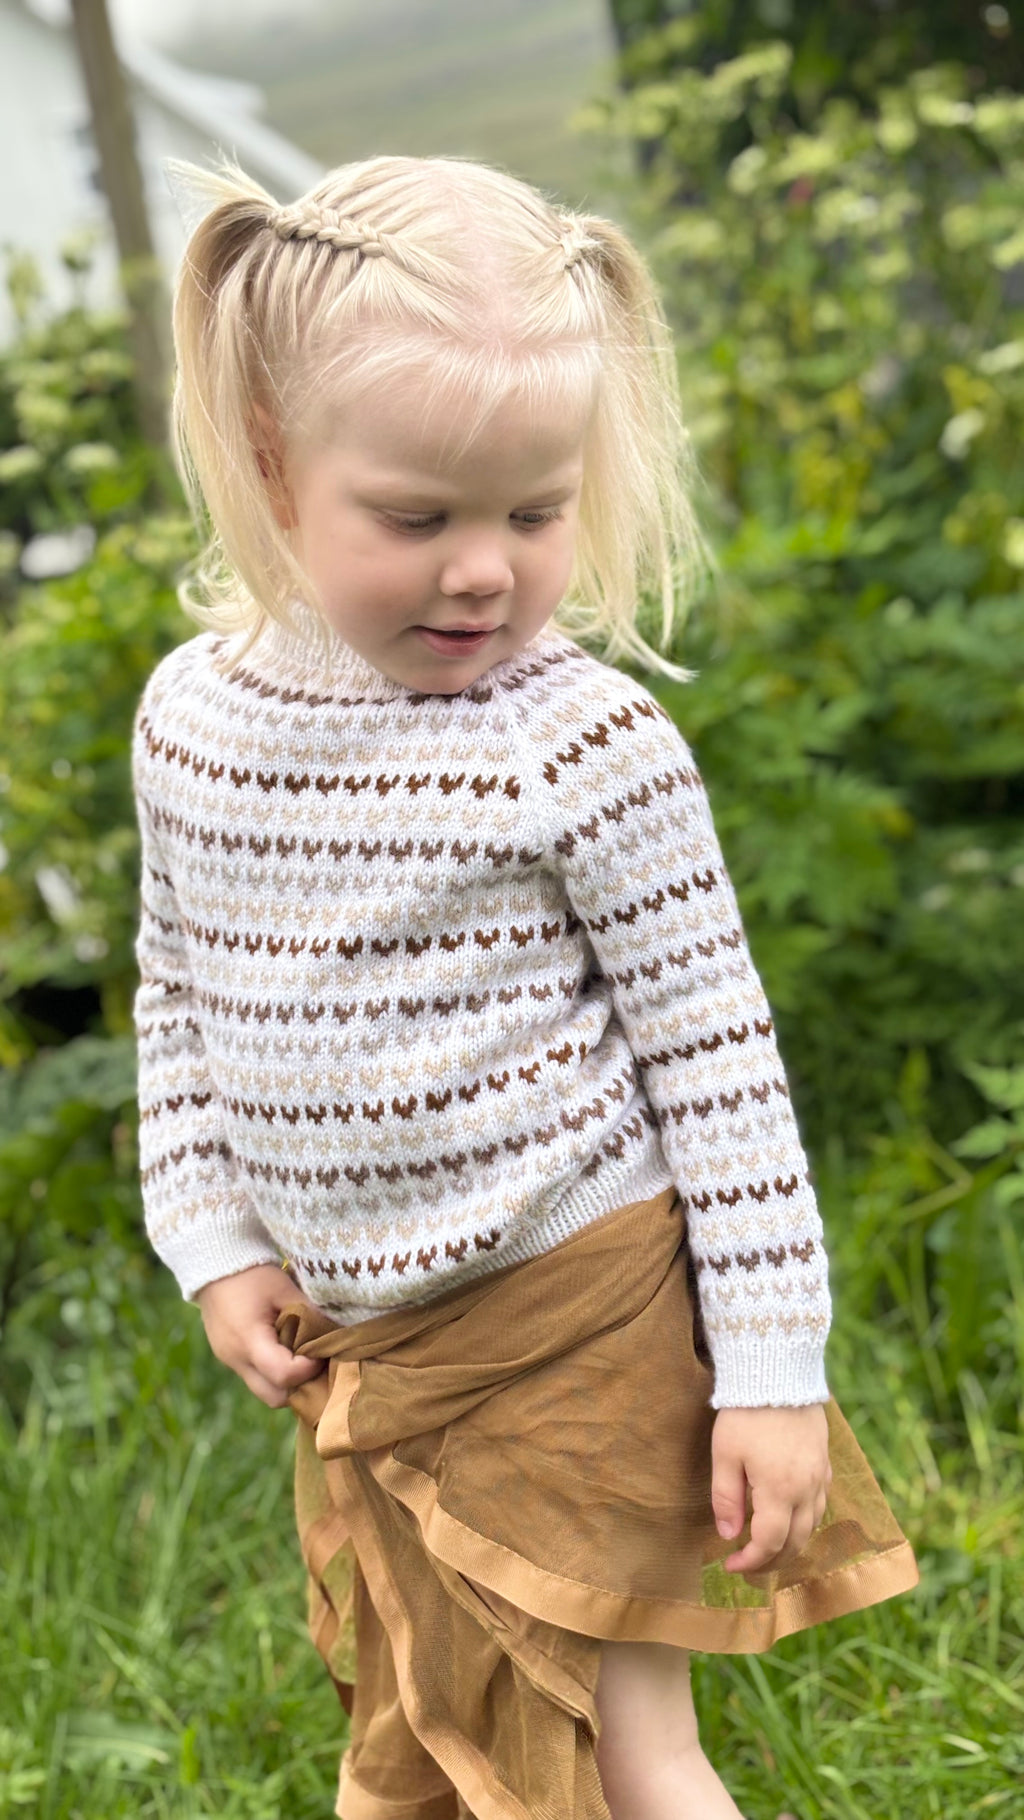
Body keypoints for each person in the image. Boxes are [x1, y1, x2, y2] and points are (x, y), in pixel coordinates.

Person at [132, 153, 918, 1820]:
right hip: (377, 1342)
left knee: (623, 1747)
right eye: (417, 518)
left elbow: (720, 1064)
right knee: (422, 1734)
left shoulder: (587, 745)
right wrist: (211, 1237)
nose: (482, 568)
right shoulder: (191, 720)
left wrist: (773, 1369)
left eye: (534, 514)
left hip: (583, 1306)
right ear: (276, 465)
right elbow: (175, 991)